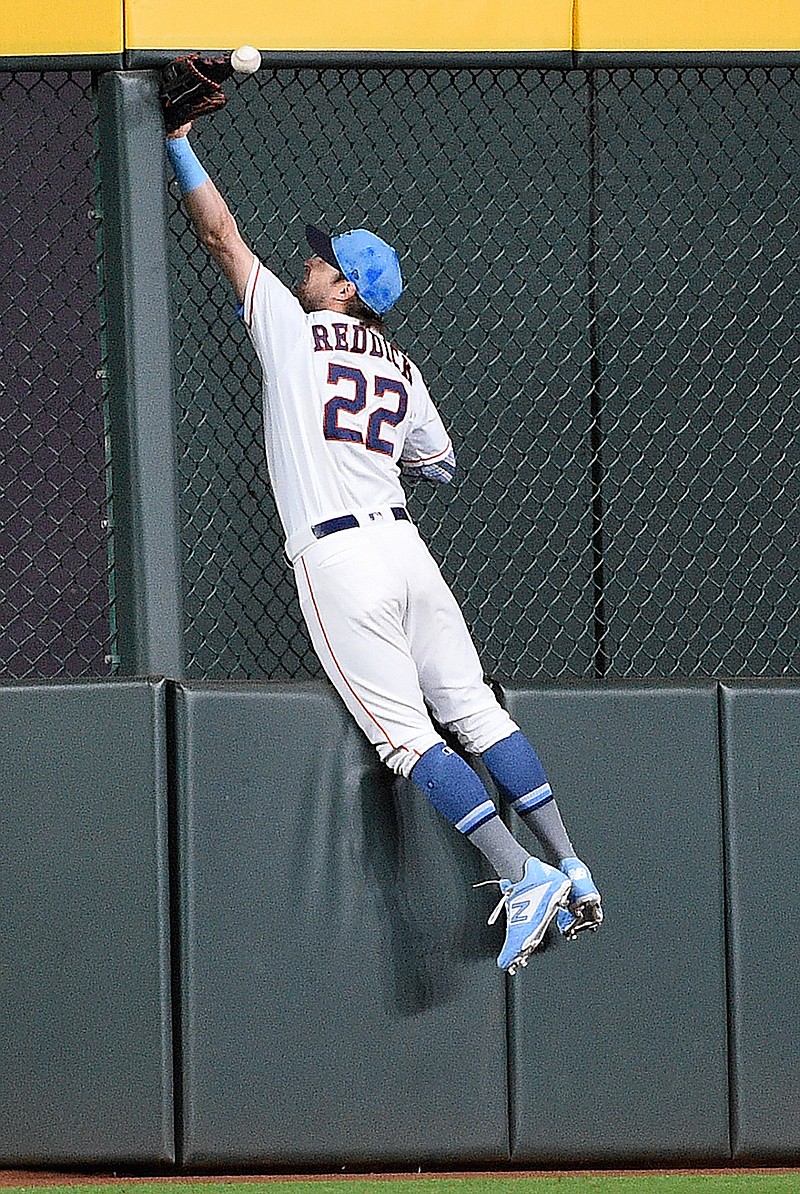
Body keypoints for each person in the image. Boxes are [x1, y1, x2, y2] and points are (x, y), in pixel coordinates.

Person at [164, 120, 603, 974]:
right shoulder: (399, 364)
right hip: (409, 553)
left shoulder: (292, 328)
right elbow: (440, 464)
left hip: (340, 561)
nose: (310, 263)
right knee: (476, 711)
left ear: (346, 288)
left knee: (409, 740)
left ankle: (522, 877)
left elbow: (219, 233)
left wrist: (178, 139)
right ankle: (573, 861)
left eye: (324, 261)